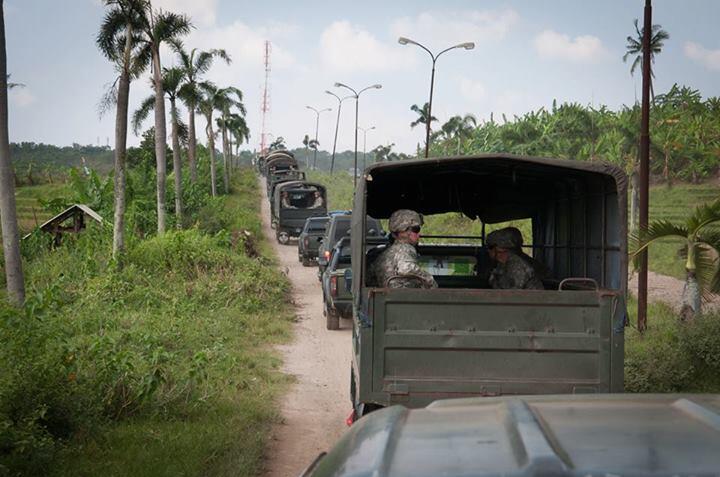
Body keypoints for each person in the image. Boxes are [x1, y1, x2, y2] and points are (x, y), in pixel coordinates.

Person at [368, 209, 437, 289]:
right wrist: (429, 279)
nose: (419, 234)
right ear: (402, 232)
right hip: (404, 297)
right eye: (416, 229)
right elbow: (406, 268)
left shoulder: (385, 252)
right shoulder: (405, 248)